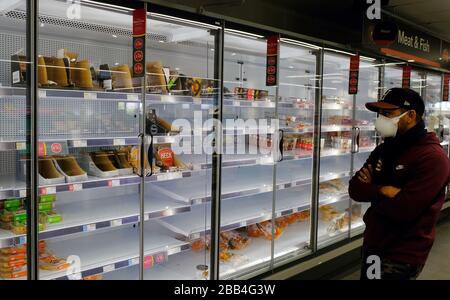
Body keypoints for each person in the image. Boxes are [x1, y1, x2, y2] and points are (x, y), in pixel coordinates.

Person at [348, 87, 450, 280]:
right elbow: (355, 189)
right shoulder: (385, 148)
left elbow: (403, 210)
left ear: (411, 115)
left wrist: (372, 190)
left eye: (387, 113)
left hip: (402, 254)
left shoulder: (433, 159)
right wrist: (384, 190)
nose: (381, 118)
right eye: (380, 113)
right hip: (374, 244)